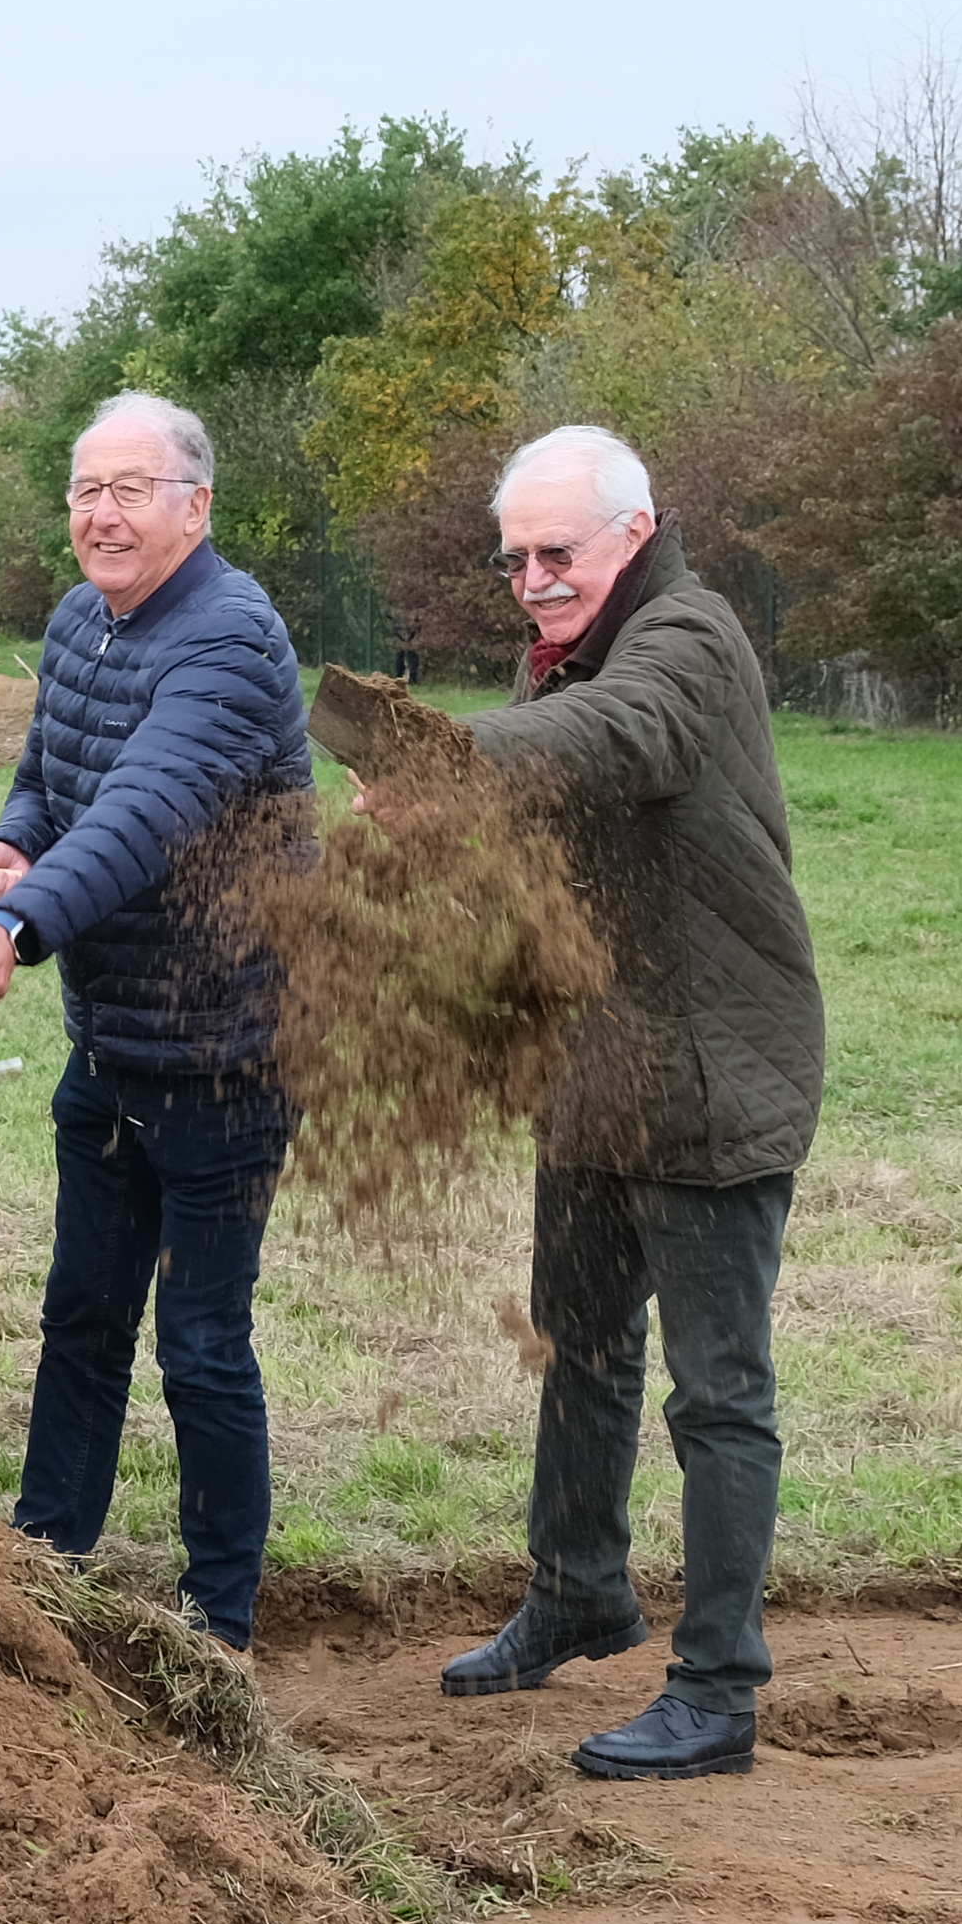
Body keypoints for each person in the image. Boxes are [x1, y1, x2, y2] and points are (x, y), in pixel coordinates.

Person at [329, 425, 827, 1783]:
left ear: (636, 528)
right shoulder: (565, 649)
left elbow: (622, 735)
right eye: (516, 558)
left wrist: (441, 758)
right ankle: (576, 1591)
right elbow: (550, 802)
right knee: (581, 1344)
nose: (535, 579)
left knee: (717, 1393)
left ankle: (718, 1688)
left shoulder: (685, 636)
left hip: (718, 1068)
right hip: (597, 1063)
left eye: (560, 552)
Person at [0, 390, 313, 1644]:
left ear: (194, 506)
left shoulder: (228, 643)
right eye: (85, 490)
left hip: (226, 1056)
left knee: (201, 1342)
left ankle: (220, 1624)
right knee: (82, 1315)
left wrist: (15, 927)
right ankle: (43, 1565)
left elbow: (142, 814)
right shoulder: (82, 621)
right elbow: (56, 777)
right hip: (113, 1046)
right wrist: (4, 845)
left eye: (130, 489)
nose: (101, 513)